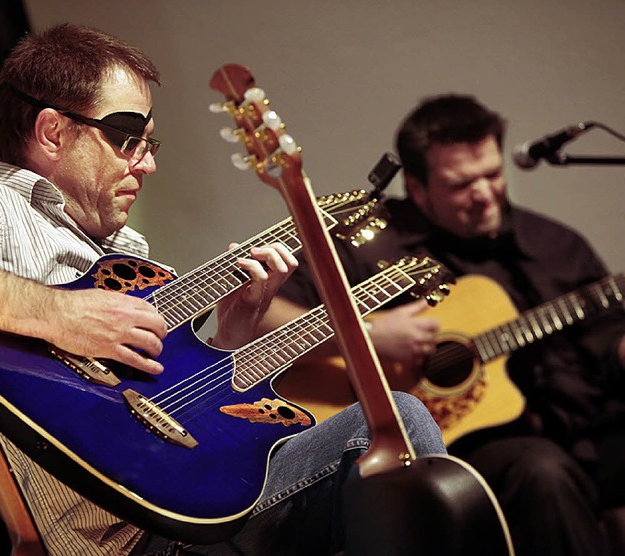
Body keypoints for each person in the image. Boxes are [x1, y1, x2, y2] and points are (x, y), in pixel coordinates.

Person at [0, 23, 447, 556]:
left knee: (394, 428)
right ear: (52, 132)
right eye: (127, 137)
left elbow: (168, 414)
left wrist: (235, 329)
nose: (149, 163)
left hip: (185, 502)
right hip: (115, 534)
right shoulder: (0, 208)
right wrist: (61, 314)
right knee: (398, 421)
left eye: (149, 143)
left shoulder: (128, 256)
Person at [261, 94, 625, 556]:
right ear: (417, 187)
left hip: (581, 431)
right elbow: (265, 313)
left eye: (492, 174)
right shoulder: (372, 238)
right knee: (541, 471)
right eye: (460, 184)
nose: (484, 193)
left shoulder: (555, 244)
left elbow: (608, 335)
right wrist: (370, 334)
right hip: (446, 450)